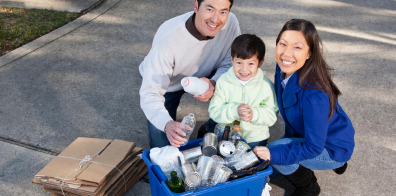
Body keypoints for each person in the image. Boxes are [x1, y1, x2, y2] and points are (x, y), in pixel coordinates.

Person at [253, 19, 355, 196]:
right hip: (316, 135)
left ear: (309, 53)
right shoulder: (284, 67)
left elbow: (314, 148)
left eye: (297, 47)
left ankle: (309, 188)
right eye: (282, 44)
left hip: (330, 147)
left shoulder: (315, 95)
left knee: (275, 152)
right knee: (277, 153)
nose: (286, 53)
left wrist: (275, 155)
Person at [139, 0, 241, 148]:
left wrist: (214, 83)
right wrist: (167, 124)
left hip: (208, 72)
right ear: (196, 6)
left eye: (223, 12)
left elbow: (230, 62)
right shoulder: (168, 39)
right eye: (210, 9)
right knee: (163, 150)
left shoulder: (231, 22)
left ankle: (211, 129)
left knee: (240, 80)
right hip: (169, 83)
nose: (215, 19)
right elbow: (150, 93)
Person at [208, 34, 279, 149]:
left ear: (260, 63)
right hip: (225, 134)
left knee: (252, 163)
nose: (244, 69)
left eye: (251, 63)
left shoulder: (266, 85)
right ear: (232, 59)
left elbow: (271, 114)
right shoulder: (223, 81)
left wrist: (254, 114)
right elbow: (214, 111)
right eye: (239, 62)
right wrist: (235, 111)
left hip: (255, 137)